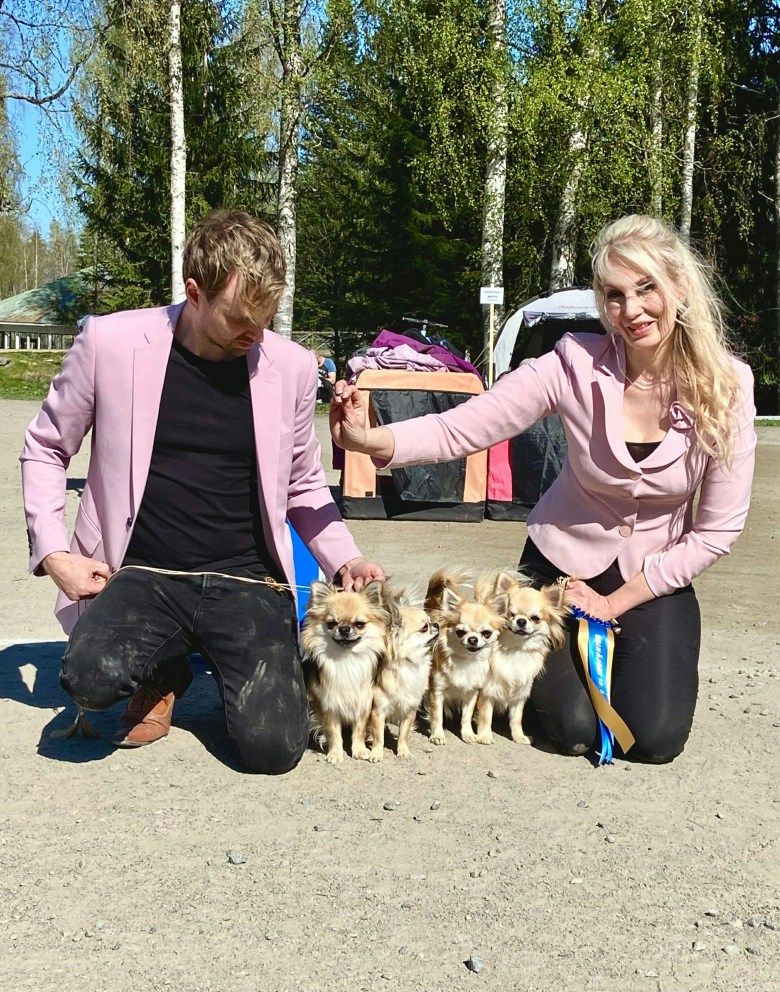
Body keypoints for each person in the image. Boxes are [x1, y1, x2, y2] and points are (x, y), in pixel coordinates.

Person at [330, 214, 756, 764]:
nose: (631, 310)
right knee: (572, 731)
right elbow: (468, 425)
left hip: (654, 573)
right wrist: (368, 439)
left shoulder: (729, 385)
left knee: (654, 740)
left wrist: (613, 604)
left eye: (646, 288)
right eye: (614, 295)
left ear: (679, 285)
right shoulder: (573, 361)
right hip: (560, 568)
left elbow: (717, 530)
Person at [21, 209, 384, 774]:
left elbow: (303, 483)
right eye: (240, 317)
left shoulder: (290, 367)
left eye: (266, 317)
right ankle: (163, 671)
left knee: (273, 751)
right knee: (89, 679)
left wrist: (347, 558)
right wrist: (53, 553)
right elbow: (45, 447)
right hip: (140, 570)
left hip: (247, 576)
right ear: (194, 293)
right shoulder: (109, 342)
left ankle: (224, 666)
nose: (256, 333)